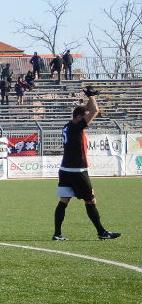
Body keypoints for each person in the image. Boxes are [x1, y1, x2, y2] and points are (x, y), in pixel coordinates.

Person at [52, 90, 121, 241]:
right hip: (77, 171)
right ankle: (102, 233)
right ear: (78, 117)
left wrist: (90, 97)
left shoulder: (69, 125)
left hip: (65, 170)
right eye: (84, 117)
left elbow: (89, 110)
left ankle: (57, 234)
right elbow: (94, 111)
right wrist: (92, 96)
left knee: (64, 201)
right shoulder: (77, 127)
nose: (88, 120)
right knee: (90, 200)